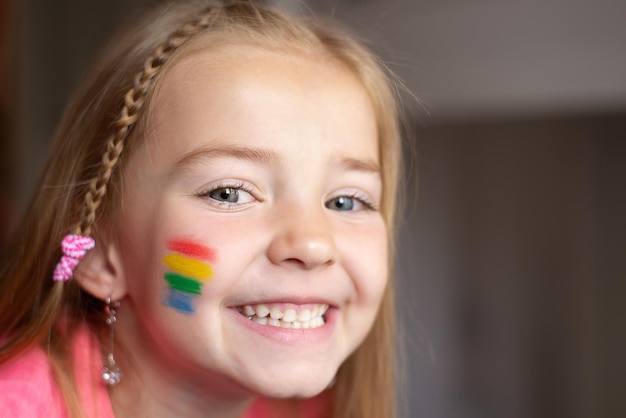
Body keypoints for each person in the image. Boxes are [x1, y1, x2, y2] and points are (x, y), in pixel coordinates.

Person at [0, 1, 403, 417]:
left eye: (345, 201)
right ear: (98, 251)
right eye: (228, 193)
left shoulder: (305, 408)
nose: (313, 244)